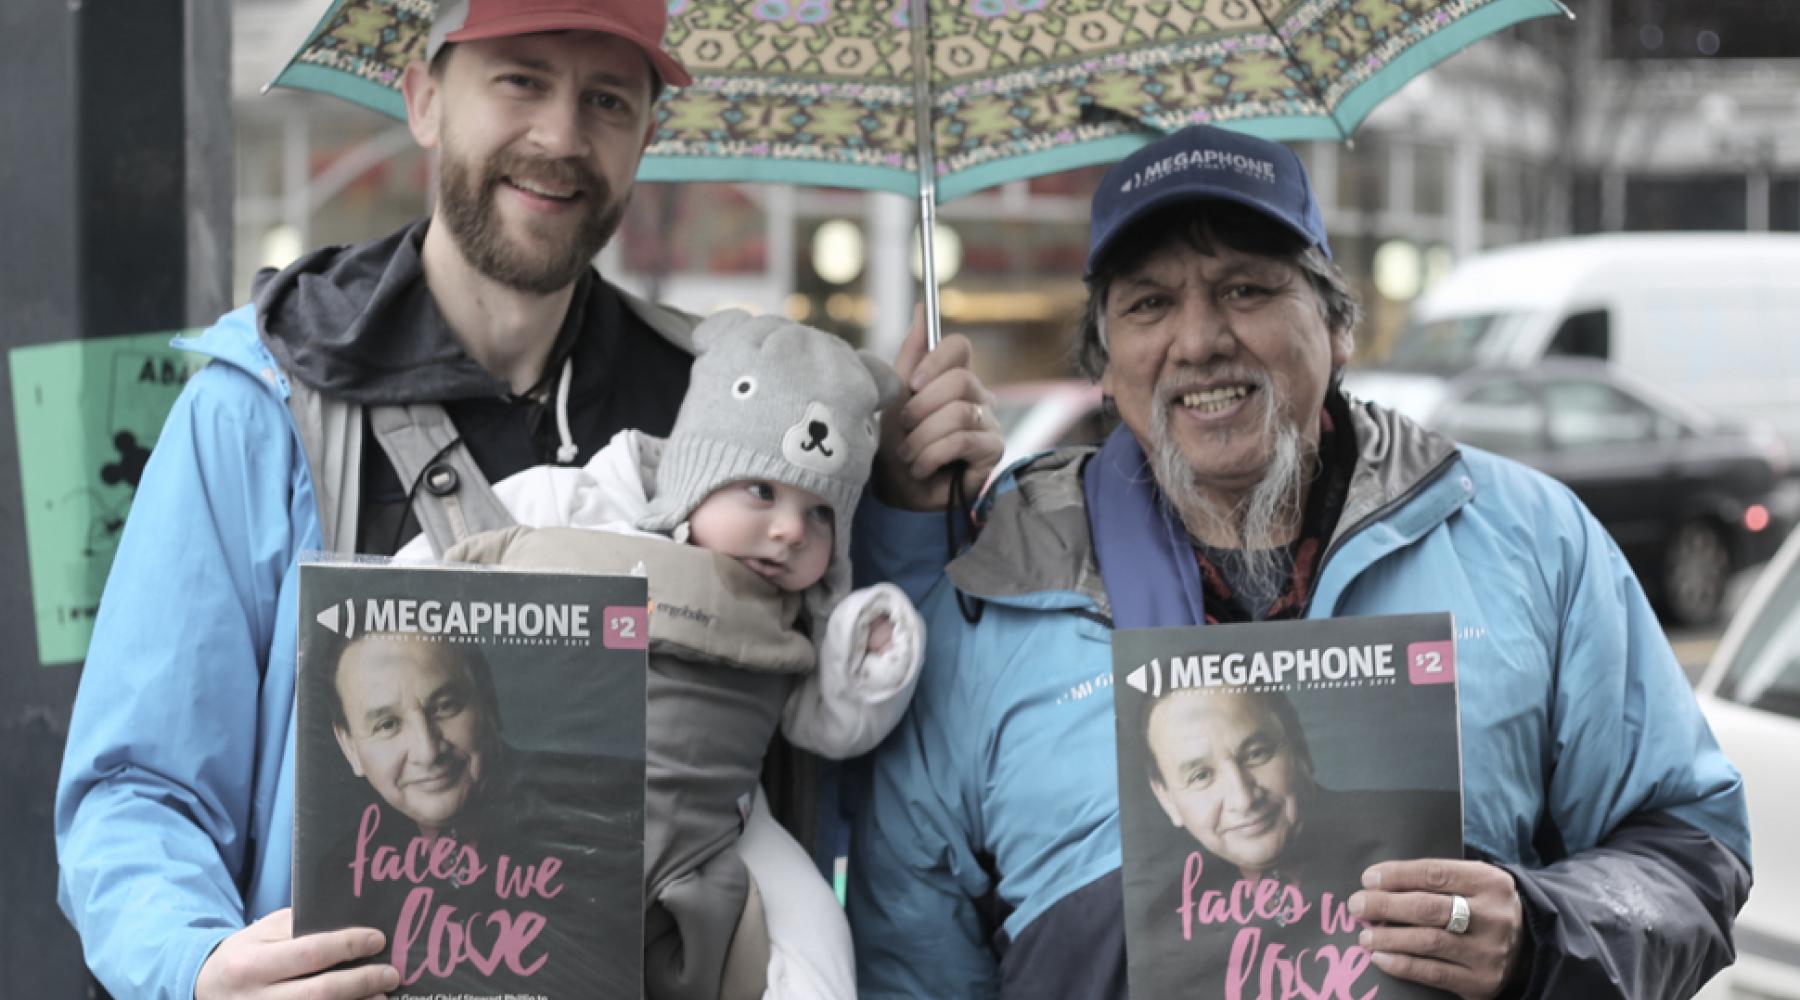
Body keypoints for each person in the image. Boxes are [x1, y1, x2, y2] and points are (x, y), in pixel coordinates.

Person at [52, 1, 1001, 997]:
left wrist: (898, 519)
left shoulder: (715, 418)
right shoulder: (266, 407)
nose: (560, 137)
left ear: (645, 137)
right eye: (521, 79)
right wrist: (195, 963)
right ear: (423, 99)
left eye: (605, 99)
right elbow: (137, 787)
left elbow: (836, 757)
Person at [848, 124, 1751, 1000]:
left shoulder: (1529, 540)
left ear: (1337, 326)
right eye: (1150, 303)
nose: (1199, 340)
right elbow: (909, 945)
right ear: (1106, 362)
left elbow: (1691, 852)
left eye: (1245, 289)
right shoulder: (995, 589)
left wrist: (1541, 934)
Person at [423, 309, 928, 1000]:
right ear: (695, 474)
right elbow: (448, 559)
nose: (787, 530)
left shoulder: (792, 614)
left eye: (820, 515)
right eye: (761, 491)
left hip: (721, 820)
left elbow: (822, 726)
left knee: (816, 937)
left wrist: (870, 660)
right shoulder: (589, 507)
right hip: (555, 800)